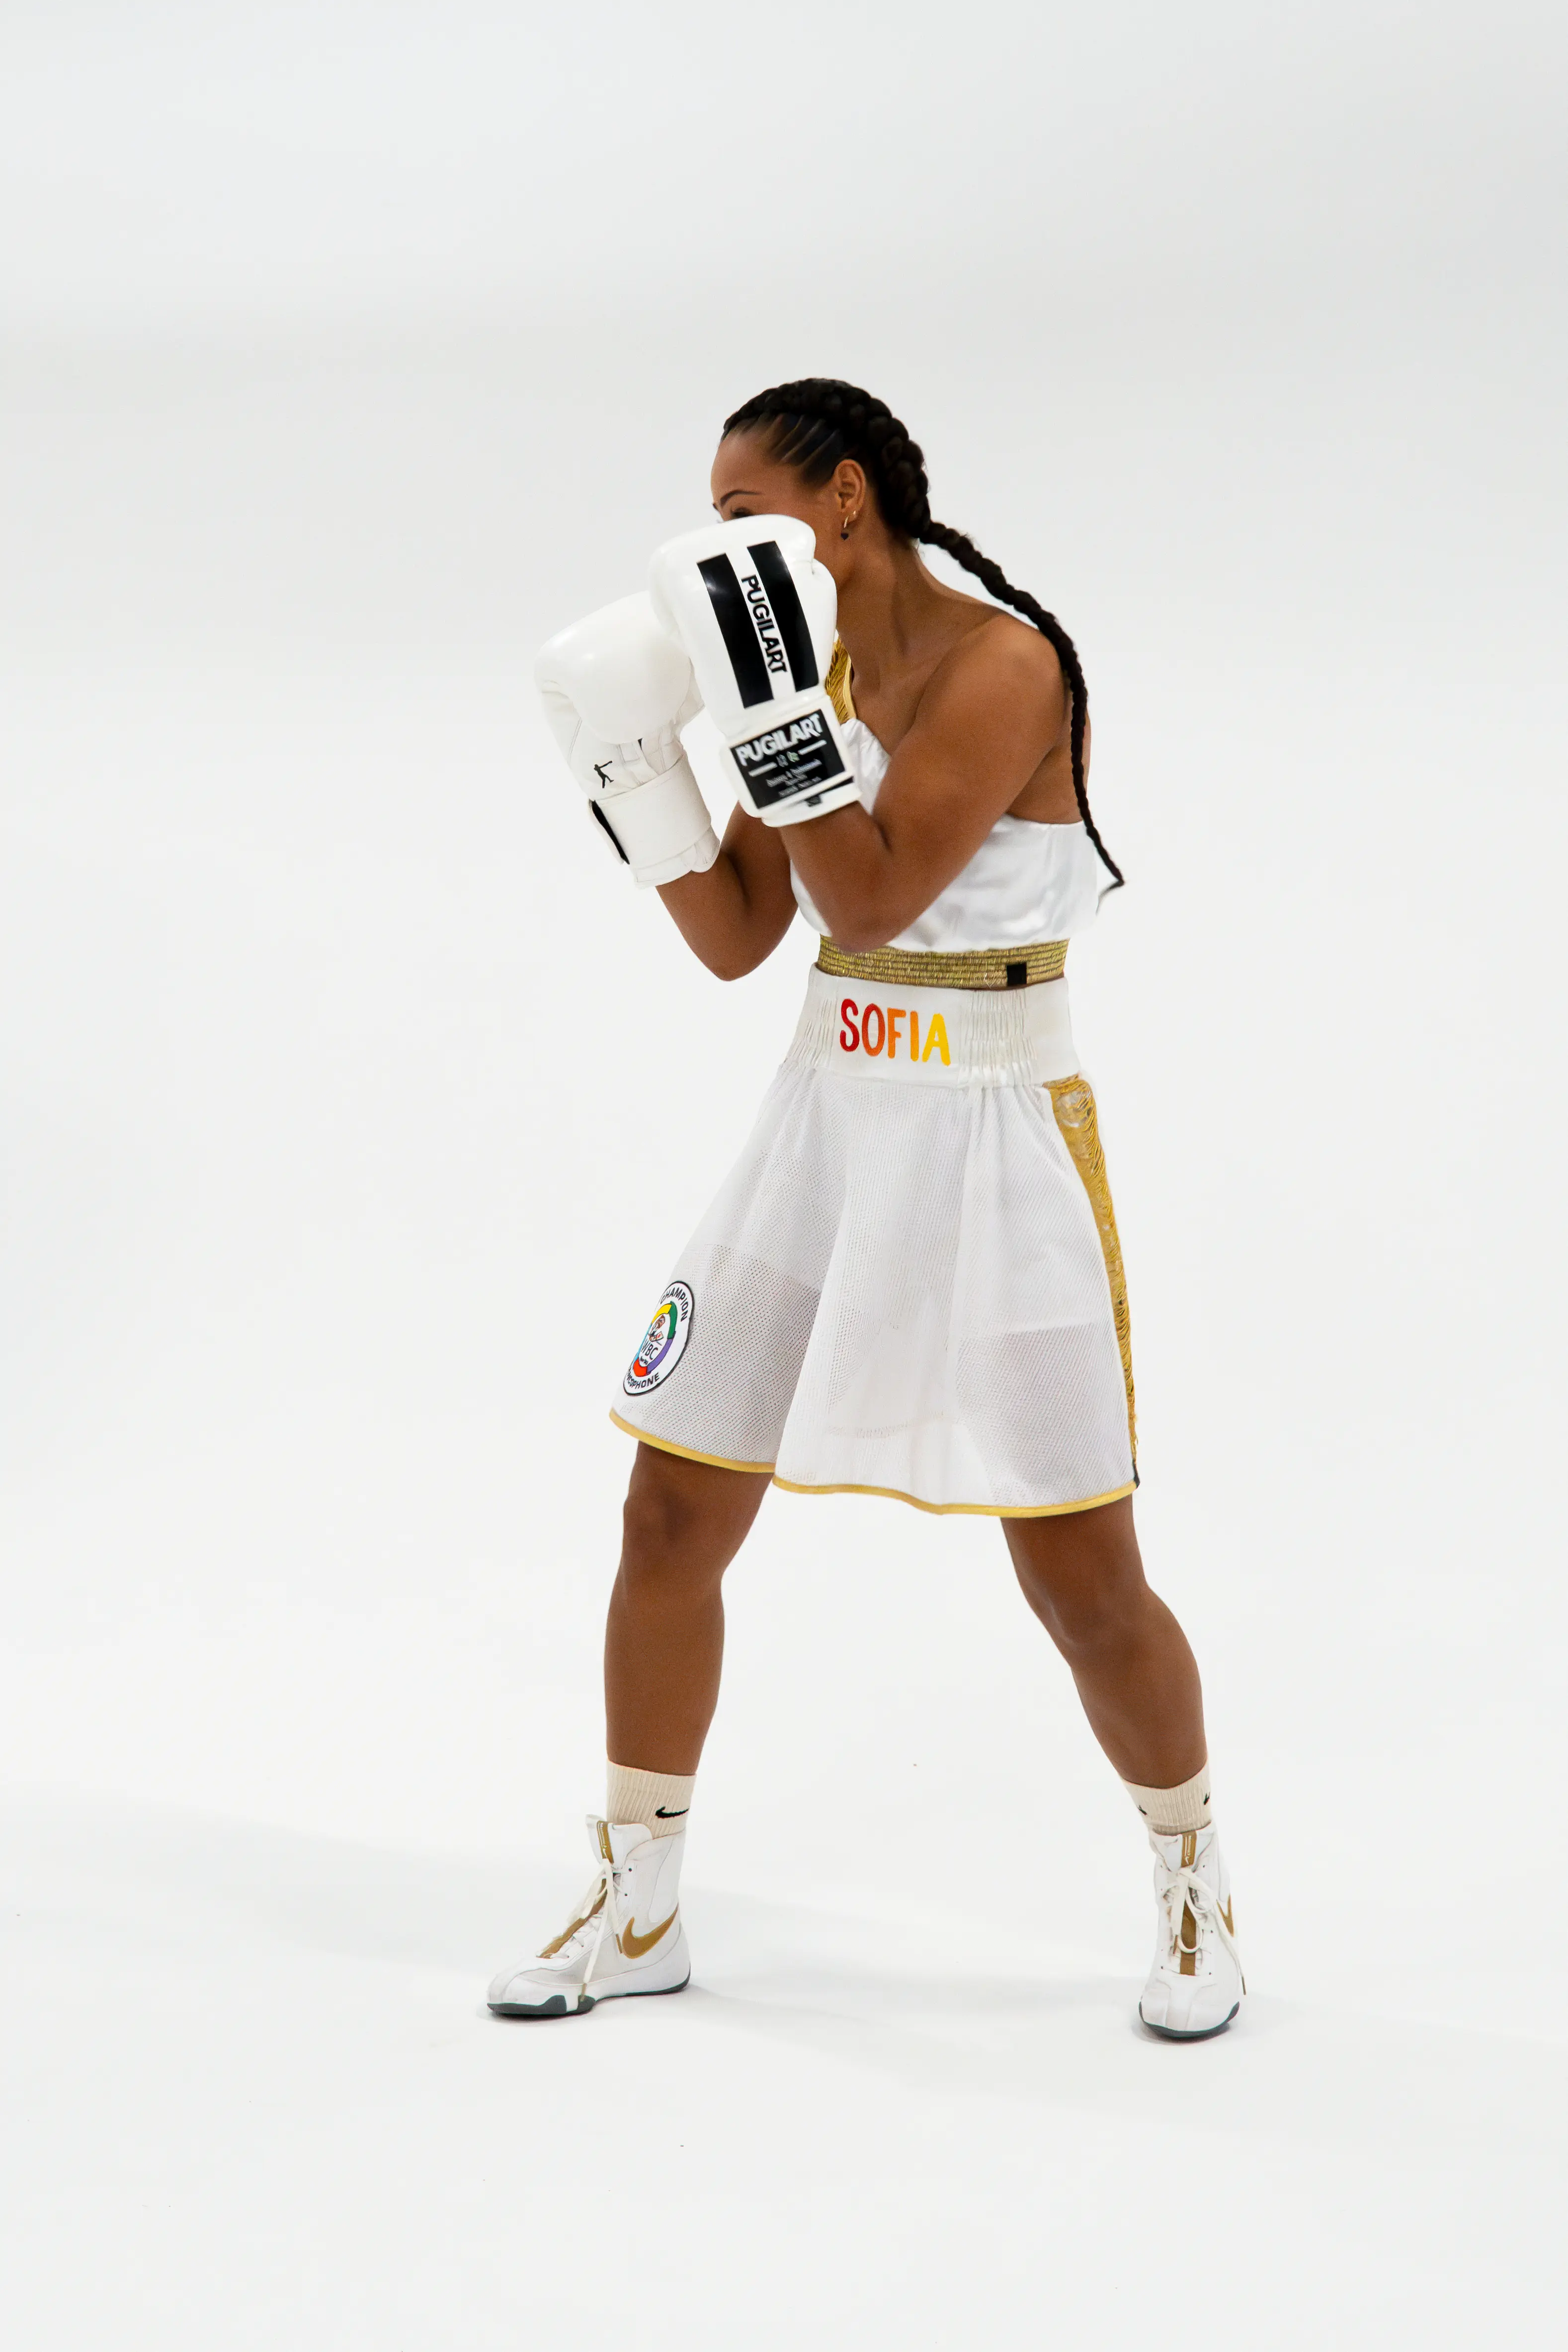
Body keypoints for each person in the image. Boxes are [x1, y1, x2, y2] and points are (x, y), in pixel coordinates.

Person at [488, 379, 1243, 2037]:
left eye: (749, 514)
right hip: (829, 1107)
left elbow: (881, 884)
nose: (725, 550)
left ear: (842, 504)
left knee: (1079, 1574)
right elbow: (746, 931)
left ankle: (1196, 1882)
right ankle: (639, 1901)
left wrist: (770, 714)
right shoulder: (817, 668)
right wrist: (639, 781)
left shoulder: (1004, 667)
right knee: (669, 1512)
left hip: (993, 1125)